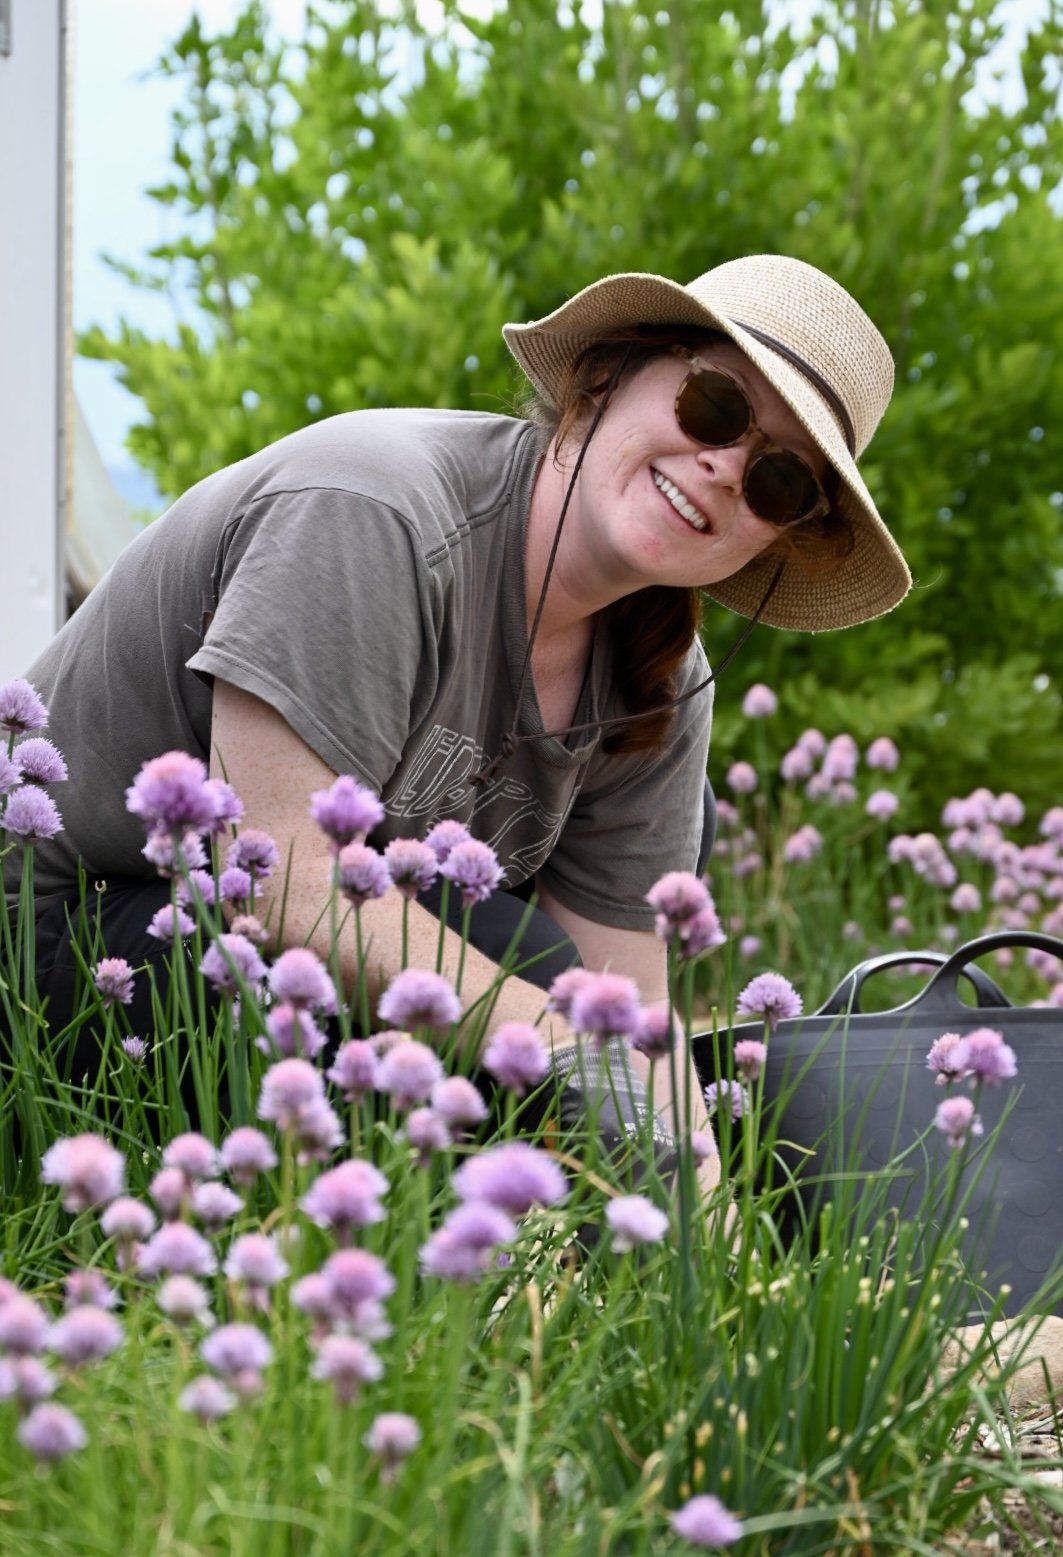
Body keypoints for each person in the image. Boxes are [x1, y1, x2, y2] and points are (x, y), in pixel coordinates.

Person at [9, 253, 911, 1181]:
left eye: (778, 481)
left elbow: (630, 994)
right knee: (516, 965)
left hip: (246, 966)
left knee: (566, 950)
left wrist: (698, 1215)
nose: (723, 467)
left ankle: (466, 1224)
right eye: (713, 405)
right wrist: (557, 1044)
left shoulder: (662, 679)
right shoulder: (373, 513)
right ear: (610, 372)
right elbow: (279, 884)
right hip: (54, 947)